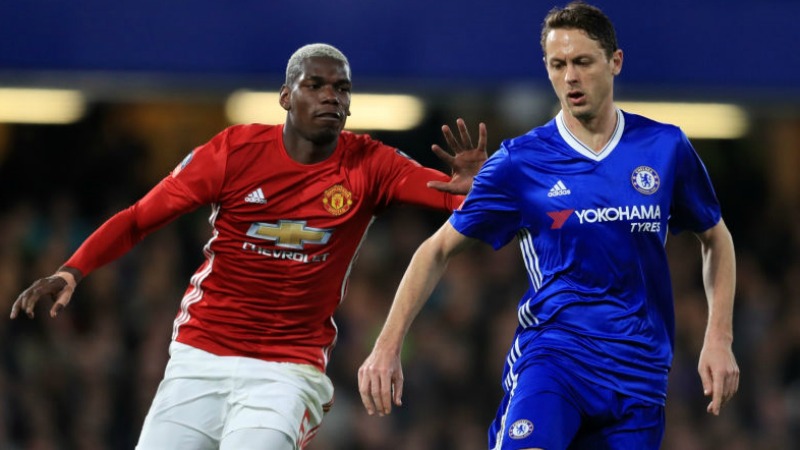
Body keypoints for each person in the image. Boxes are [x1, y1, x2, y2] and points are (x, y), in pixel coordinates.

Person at [10, 43, 487, 450]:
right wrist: (72, 270)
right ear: (285, 96)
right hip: (201, 355)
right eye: (315, 85)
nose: (330, 96)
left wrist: (479, 184)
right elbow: (138, 219)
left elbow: (455, 199)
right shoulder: (233, 152)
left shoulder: (371, 165)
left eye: (341, 89)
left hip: (287, 371)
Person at [358, 2, 739, 449]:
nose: (570, 77)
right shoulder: (520, 161)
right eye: (558, 65)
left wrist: (718, 337)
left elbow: (716, 237)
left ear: (615, 62)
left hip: (639, 373)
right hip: (555, 359)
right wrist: (387, 346)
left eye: (583, 62)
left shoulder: (664, 147)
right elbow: (436, 249)